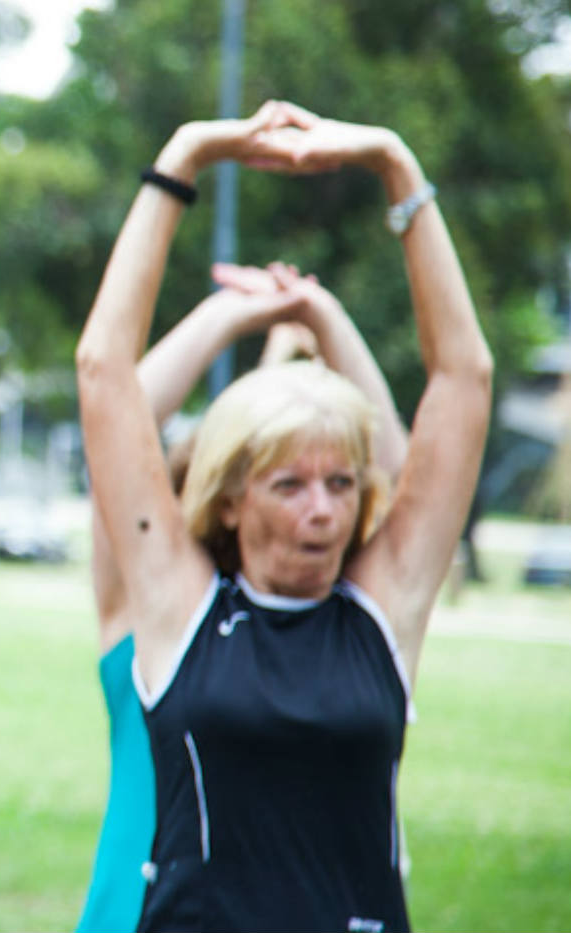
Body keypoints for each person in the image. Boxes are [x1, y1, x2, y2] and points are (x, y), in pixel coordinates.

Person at [75, 102, 491, 932]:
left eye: (342, 483)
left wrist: (397, 168)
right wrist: (184, 156)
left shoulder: (382, 610)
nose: (323, 511)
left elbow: (464, 380)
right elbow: (104, 373)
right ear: (232, 495)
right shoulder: (178, 607)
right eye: (290, 485)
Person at [75, 261, 407, 933]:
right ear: (226, 497)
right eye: (284, 480)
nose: (311, 502)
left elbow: (400, 474)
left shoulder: (336, 623)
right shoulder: (153, 603)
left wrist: (316, 315)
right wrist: (230, 312)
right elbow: (116, 411)